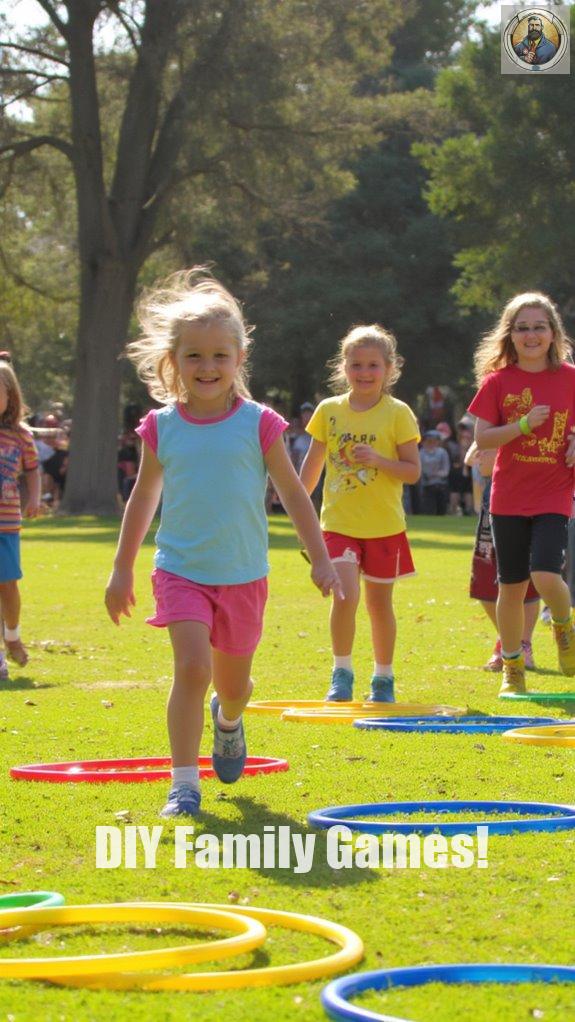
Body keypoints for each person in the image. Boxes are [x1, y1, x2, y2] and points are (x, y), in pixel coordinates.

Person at [104, 267, 341, 819]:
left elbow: (294, 493)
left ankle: (229, 720)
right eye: (194, 356)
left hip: (243, 575)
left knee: (233, 685)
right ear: (173, 362)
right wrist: (120, 571)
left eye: (219, 356)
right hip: (180, 569)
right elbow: (142, 499)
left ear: (238, 360)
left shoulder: (260, 424)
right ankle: (183, 784)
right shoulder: (161, 427)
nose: (207, 367)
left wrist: (321, 559)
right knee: (191, 667)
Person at [299, 324, 420, 703]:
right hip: (338, 524)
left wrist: (380, 460)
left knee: (379, 605)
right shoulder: (329, 411)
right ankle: (342, 673)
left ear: (389, 369)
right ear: (344, 367)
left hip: (384, 526)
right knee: (344, 596)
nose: (364, 373)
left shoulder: (398, 413)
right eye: (356, 365)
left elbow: (412, 471)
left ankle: (383, 678)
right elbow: (312, 467)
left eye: (373, 365)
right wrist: (296, 505)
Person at [468, 291, 575, 696]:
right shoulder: (497, 382)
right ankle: (513, 667)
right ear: (510, 335)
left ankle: (564, 629)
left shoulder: (570, 377)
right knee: (510, 587)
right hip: (508, 497)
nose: (531, 335)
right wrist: (524, 426)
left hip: (554, 493)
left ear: (553, 333)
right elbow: (483, 438)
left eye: (539, 327)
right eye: (522, 327)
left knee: (546, 574)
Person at [465, 442, 539, 672]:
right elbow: (470, 459)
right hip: (491, 517)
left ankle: (522, 645)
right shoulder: (494, 429)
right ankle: (509, 639)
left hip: (522, 509)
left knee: (526, 587)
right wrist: (488, 439)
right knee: (484, 588)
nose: (481, 456)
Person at [0, 361, 41, 679]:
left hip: (6, 523)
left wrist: (35, 498)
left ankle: (12, 634)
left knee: (8, 585)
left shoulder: (20, 436)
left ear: (10, 396)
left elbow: (31, 469)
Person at [419, 430, 450, 515]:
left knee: (441, 510)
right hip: (426, 485)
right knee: (429, 510)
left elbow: (445, 471)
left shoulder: (442, 452)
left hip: (440, 485)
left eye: (434, 440)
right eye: (428, 440)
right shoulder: (421, 453)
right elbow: (419, 469)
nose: (431, 442)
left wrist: (434, 474)